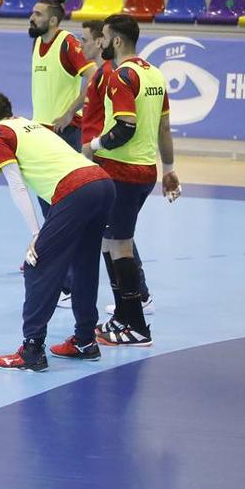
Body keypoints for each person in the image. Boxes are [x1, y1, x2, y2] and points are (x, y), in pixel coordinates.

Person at [0, 91, 115, 372]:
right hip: (102, 181)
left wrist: (36, 233)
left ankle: (32, 350)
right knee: (84, 265)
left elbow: (17, 185)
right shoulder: (30, 123)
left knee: (36, 265)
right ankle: (86, 341)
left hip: (75, 190)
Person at [85, 14, 180, 346]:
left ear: (117, 41)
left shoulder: (121, 76)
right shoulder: (154, 73)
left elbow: (125, 127)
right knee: (111, 243)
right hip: (144, 172)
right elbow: (163, 128)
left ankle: (137, 326)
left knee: (120, 245)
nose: (102, 43)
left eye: (105, 37)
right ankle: (122, 318)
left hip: (122, 171)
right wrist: (169, 169)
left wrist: (93, 145)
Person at [79, 20, 152, 316]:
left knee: (117, 236)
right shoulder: (101, 74)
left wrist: (94, 149)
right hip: (102, 159)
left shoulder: (114, 74)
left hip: (111, 161)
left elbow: (122, 125)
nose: (81, 45)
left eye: (86, 39)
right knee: (114, 236)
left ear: (103, 42)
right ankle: (128, 302)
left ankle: (135, 300)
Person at [27, 0, 92, 152]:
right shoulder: (36, 42)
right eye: (32, 13)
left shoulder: (68, 43)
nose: (31, 18)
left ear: (53, 21)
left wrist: (70, 113)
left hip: (64, 130)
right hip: (40, 127)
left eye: (38, 14)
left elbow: (94, 76)